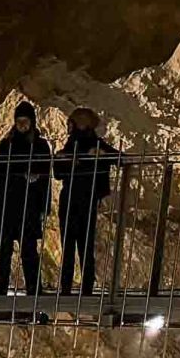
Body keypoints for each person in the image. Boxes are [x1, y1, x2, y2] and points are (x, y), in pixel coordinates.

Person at [0, 101, 52, 295]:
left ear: (32, 121)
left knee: (29, 250)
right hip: (9, 202)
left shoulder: (40, 145)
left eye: (25, 121)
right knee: (4, 250)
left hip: (29, 204)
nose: (22, 125)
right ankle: (0, 289)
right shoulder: (7, 143)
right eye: (19, 121)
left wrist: (42, 202)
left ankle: (34, 289)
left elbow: (45, 172)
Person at [54, 106, 118, 296]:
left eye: (71, 122)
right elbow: (58, 173)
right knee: (72, 244)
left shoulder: (95, 145)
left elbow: (120, 158)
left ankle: (83, 287)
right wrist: (64, 160)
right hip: (72, 198)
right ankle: (69, 286)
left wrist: (96, 157)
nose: (68, 126)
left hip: (85, 199)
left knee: (83, 244)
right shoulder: (69, 145)